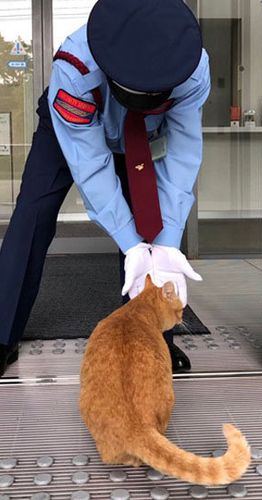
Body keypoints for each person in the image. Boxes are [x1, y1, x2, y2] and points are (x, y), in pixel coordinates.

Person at [0, 0, 209, 376]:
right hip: (73, 126)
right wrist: (130, 244)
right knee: (32, 214)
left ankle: (156, 340)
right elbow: (91, 167)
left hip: (143, 135)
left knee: (153, 222)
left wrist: (165, 243)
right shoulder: (75, 67)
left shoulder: (190, 68)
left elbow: (181, 156)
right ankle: (2, 332)